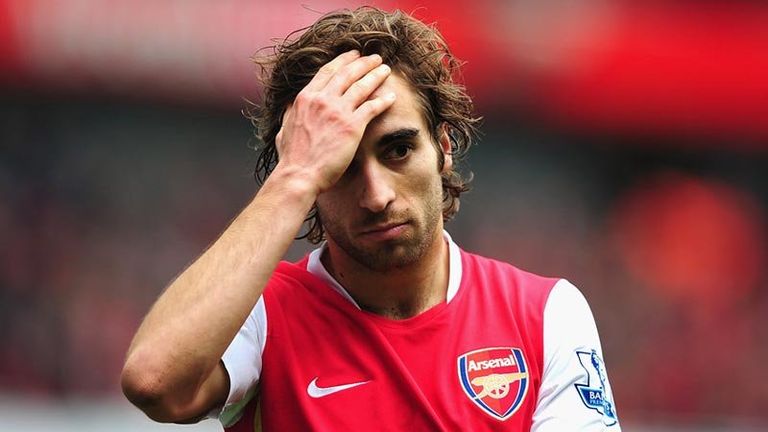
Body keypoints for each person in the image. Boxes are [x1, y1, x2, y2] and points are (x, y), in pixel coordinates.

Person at [121, 6, 621, 431]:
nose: (377, 196)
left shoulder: (544, 314)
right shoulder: (263, 315)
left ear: (443, 146)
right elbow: (155, 384)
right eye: (340, 168)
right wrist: (294, 176)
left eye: (398, 150)